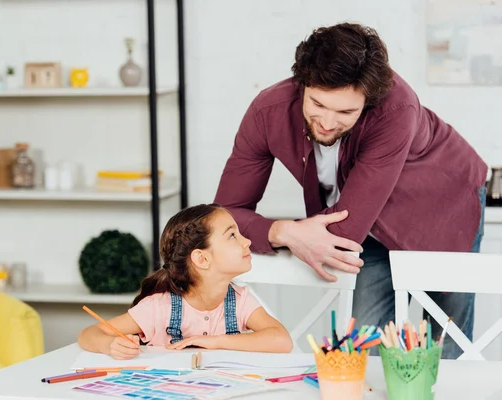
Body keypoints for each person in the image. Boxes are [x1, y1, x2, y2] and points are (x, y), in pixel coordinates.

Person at [213, 22, 487, 359]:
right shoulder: (267, 111)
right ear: (302, 84)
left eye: (346, 111)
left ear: (368, 101)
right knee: (362, 350)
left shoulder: (397, 108)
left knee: (446, 348)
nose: (328, 122)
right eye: (317, 104)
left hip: (444, 206)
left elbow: (344, 230)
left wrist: (283, 232)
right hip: (367, 231)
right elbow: (222, 219)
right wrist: (283, 230)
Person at [78, 204, 293, 360]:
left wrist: (216, 341)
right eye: (232, 236)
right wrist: (110, 345)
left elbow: (282, 340)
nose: (247, 242)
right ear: (202, 259)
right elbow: (88, 334)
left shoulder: (240, 301)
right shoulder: (159, 308)